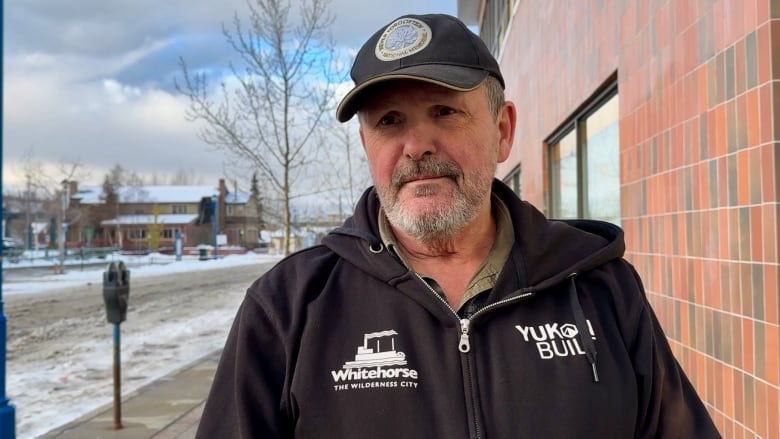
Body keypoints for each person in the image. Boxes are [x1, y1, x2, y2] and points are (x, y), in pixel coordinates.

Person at [196, 13, 721, 438]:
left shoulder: (602, 288)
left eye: (445, 111)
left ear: (502, 130)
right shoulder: (288, 309)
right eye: (389, 121)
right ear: (367, 146)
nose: (417, 144)